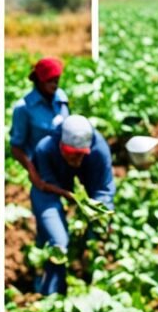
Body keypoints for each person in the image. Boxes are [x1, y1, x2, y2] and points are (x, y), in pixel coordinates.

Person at [30, 114, 115, 295]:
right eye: (71, 154)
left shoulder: (99, 151)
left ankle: (90, 281)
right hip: (47, 192)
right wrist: (70, 197)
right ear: (61, 145)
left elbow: (103, 190)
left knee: (96, 233)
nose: (76, 160)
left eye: (80, 155)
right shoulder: (45, 148)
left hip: (76, 188)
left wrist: (101, 217)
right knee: (58, 241)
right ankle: (51, 295)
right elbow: (45, 185)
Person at [10, 57, 69, 192]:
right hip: (43, 171)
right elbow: (16, 147)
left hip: (66, 165)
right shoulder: (24, 108)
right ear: (39, 80)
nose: (55, 84)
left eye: (57, 80)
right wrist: (33, 172)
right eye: (50, 80)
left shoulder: (61, 98)